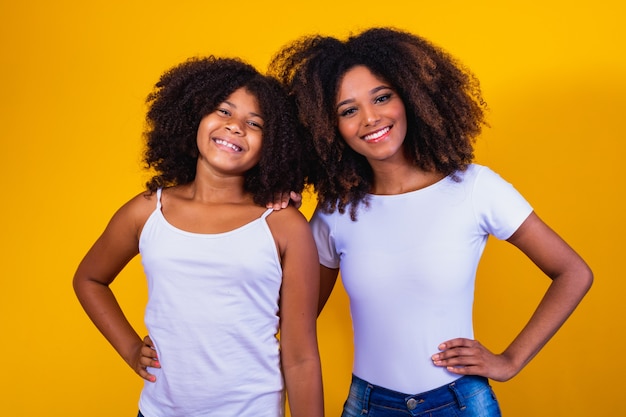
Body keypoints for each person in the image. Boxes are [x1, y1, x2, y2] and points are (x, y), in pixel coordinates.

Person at [267, 27, 593, 416]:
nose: (370, 118)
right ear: (327, 128)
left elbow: (573, 272)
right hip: (369, 406)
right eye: (348, 110)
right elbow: (289, 318)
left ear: (412, 98)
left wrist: (510, 361)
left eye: (382, 97)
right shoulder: (335, 210)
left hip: (461, 403)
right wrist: (270, 216)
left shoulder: (475, 188)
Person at [73, 56, 324, 417]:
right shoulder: (147, 212)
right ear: (194, 117)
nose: (236, 127)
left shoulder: (283, 226)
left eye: (255, 123)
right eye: (223, 111)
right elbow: (89, 279)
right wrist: (130, 349)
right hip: (159, 410)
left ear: (274, 145)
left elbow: (301, 357)